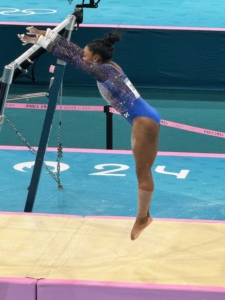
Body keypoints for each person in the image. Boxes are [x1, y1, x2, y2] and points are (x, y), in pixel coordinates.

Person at [18, 27, 161, 240]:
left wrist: (43, 42)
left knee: (143, 173)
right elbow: (74, 52)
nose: (82, 57)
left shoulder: (103, 72)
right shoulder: (108, 67)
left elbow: (74, 59)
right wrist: (43, 35)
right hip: (143, 117)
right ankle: (145, 215)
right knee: (142, 172)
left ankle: (143, 217)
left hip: (144, 121)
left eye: (87, 55)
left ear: (95, 58)